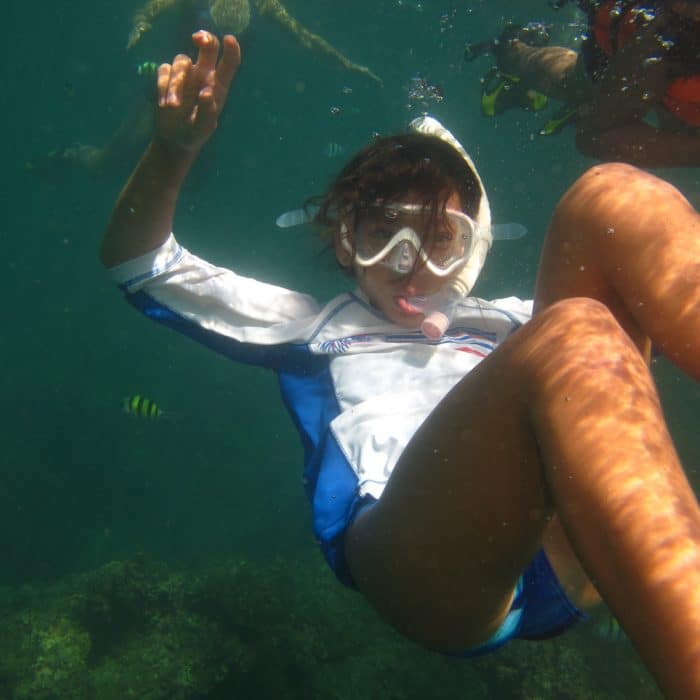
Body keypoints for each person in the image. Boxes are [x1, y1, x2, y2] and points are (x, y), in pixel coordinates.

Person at [100, 31, 700, 697]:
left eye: (440, 238)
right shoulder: (309, 325)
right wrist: (172, 150)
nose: (409, 264)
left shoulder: (505, 318)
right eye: (384, 234)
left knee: (615, 192)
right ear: (344, 240)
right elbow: (142, 261)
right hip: (420, 567)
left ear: (471, 246)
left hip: (566, 543)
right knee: (577, 332)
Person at [466, 0, 700, 167]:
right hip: (620, 58)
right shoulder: (662, 40)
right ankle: (510, 50)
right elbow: (596, 135)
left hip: (676, 81)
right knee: (575, 84)